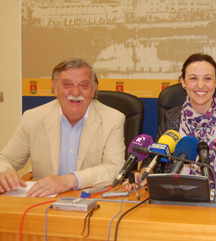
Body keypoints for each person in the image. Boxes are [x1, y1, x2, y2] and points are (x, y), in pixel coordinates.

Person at [128, 53, 216, 196]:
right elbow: (154, 158)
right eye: (193, 78)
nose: (201, 85)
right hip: (175, 198)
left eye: (208, 78)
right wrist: (143, 174)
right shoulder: (171, 117)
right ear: (183, 82)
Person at [0, 58, 126, 197]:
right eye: (67, 84)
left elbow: (115, 168)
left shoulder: (113, 118)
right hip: (43, 202)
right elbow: (5, 159)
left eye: (84, 85)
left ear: (93, 90)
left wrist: (69, 180)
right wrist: (3, 171)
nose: (76, 92)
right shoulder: (33, 118)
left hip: (92, 201)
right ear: (55, 87)